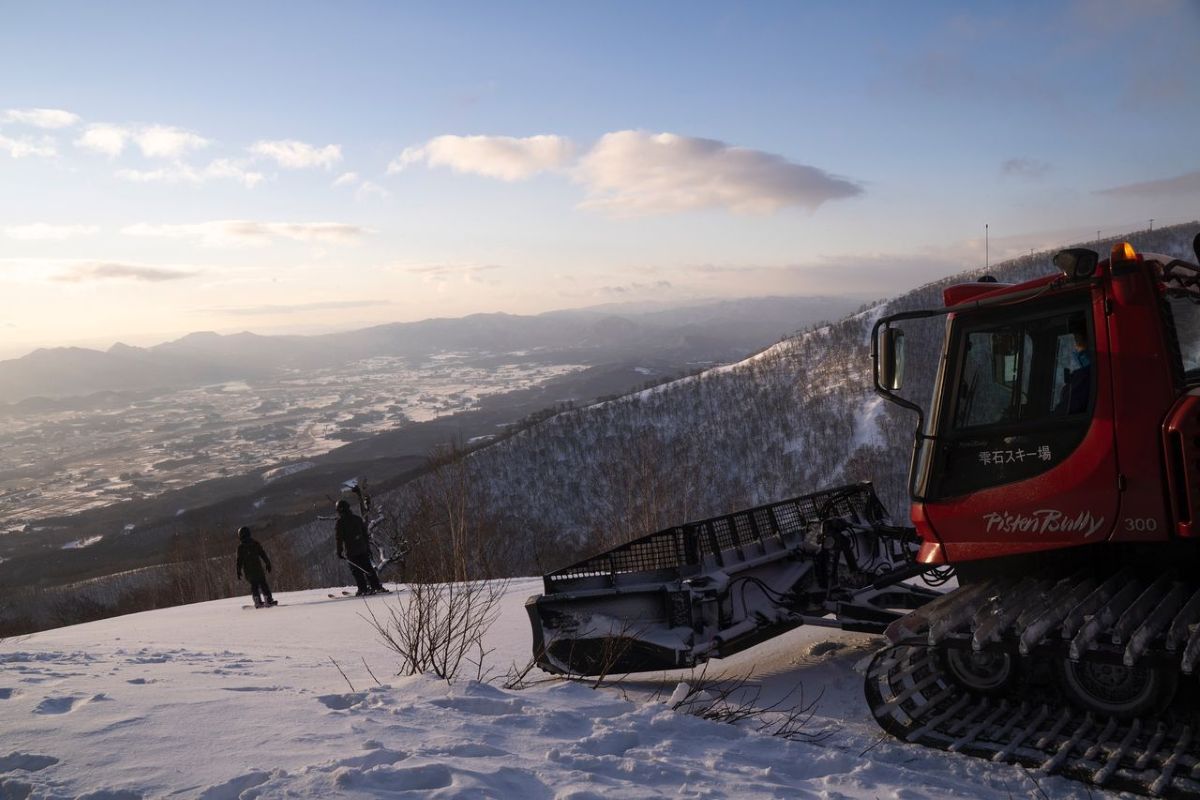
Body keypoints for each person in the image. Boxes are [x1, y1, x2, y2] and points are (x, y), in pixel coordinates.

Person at [335, 499, 388, 596]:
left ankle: (363, 589)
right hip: (362, 548)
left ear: (340, 510)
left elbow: (339, 538)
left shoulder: (340, 522)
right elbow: (365, 534)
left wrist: (339, 552)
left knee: (356, 571)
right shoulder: (357, 519)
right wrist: (367, 547)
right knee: (368, 568)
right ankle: (376, 586)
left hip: (351, 551)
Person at [1056, 316, 1092, 415]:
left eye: (1077, 342)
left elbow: (1064, 413)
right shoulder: (1084, 375)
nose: (1076, 348)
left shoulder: (1085, 377)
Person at [235, 526, 277, 608]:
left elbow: (239, 561)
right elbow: (262, 554)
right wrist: (267, 563)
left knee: (254, 586)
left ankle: (257, 601)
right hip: (258, 569)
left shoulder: (240, 548)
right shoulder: (255, 543)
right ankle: (268, 600)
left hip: (248, 572)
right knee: (263, 584)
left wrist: (238, 571)